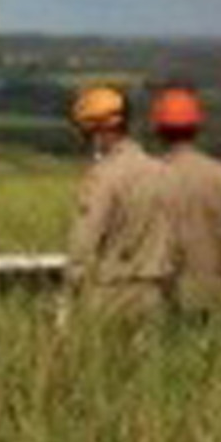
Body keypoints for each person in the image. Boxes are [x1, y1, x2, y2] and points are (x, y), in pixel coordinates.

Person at [66, 85, 173, 316]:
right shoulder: (163, 171)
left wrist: (70, 293)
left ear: (95, 131)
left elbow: (83, 244)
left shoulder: (102, 177)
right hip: (157, 294)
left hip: (112, 294)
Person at [147, 86, 221, 319]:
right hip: (209, 291)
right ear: (196, 127)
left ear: (159, 129)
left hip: (163, 294)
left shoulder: (151, 176)